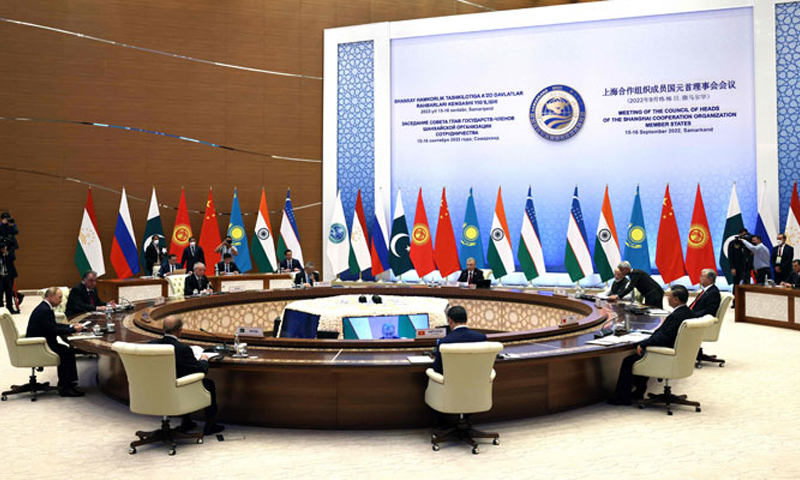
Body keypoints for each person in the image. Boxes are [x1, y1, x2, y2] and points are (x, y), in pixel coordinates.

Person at [609, 285, 695, 405]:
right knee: (640, 355)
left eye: (669, 297)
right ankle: (639, 391)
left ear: (676, 300)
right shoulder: (688, 313)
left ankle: (622, 398)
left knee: (629, 361)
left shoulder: (676, 316)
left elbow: (664, 337)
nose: (667, 298)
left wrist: (644, 344)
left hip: (666, 353)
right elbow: (664, 333)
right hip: (678, 352)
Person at [149, 316, 224, 436]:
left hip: (154, 389)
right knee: (208, 384)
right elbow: (201, 370)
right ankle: (210, 424)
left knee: (183, 375)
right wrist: (204, 359)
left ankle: (187, 422)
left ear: (164, 329)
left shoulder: (151, 345)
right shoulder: (183, 349)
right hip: (177, 389)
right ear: (180, 330)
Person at [26, 287, 85, 397]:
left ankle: (67, 383)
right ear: (51, 296)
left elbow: (52, 325)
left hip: (42, 342)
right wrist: (73, 330)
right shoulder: (45, 310)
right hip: (39, 345)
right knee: (66, 353)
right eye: (59, 297)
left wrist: (71, 326)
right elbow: (53, 330)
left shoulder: (45, 307)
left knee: (66, 350)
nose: (61, 300)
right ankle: (66, 388)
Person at [431, 305, 487, 374]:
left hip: (451, 380)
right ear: (466, 319)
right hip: (476, 379)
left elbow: (437, 368)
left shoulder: (444, 342)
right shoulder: (481, 338)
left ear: (449, 320)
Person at [0, 242, 19, 314]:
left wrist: (6, 252)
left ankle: (10, 308)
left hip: (8, 275)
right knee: (0, 293)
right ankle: (1, 309)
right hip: (0, 276)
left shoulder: (9, 250)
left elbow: (13, 258)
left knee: (9, 292)